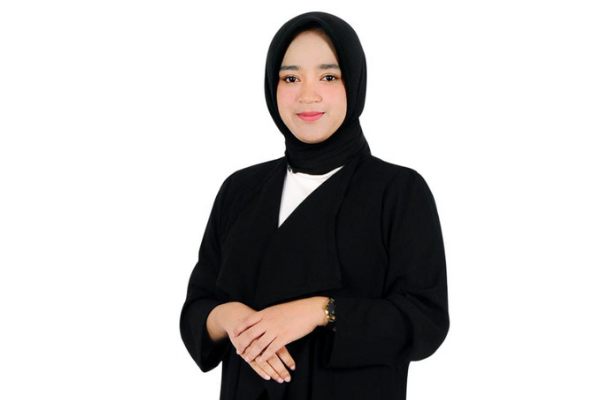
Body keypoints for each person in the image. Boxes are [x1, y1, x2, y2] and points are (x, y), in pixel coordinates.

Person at [179, 11, 449, 400]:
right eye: (291, 78)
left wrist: (321, 311)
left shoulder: (398, 191)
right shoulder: (240, 190)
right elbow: (198, 307)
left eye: (328, 77)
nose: (308, 95)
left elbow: (425, 321)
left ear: (354, 82)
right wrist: (229, 317)